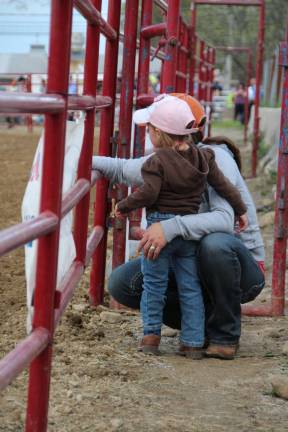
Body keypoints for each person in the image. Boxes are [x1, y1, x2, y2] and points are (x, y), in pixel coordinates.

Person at [92, 94, 265, 360]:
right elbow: (122, 168)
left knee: (214, 244)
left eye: (150, 129)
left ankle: (224, 335)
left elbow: (223, 221)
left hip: (238, 270)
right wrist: (79, 160)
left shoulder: (215, 158)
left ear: (159, 133)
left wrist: (167, 227)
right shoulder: (164, 160)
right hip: (192, 253)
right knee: (123, 283)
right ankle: (198, 331)